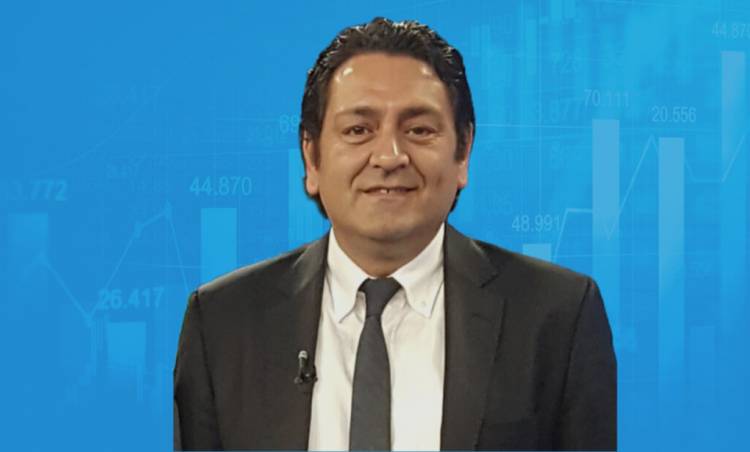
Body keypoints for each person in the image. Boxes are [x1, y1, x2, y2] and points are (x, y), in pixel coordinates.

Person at [173, 17, 616, 451]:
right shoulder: (222, 322)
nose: (389, 156)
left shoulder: (557, 317)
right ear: (311, 157)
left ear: (463, 151)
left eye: (419, 130)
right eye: (358, 130)